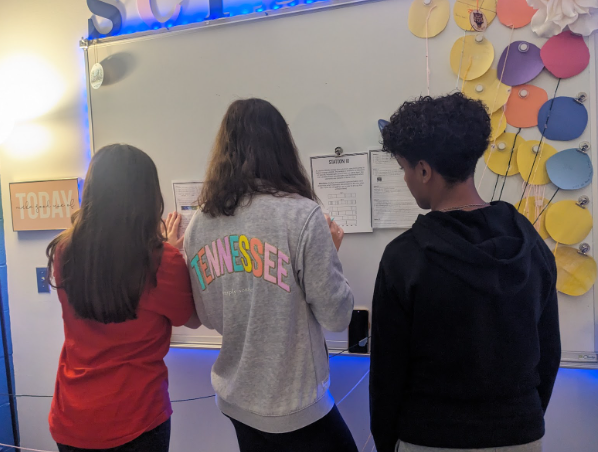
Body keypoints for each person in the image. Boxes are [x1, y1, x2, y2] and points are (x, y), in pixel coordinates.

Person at [370, 93, 561, 452]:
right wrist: (522, 422)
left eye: (404, 169)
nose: (406, 179)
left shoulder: (404, 258)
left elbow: (387, 375)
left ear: (424, 170)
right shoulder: (531, 245)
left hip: (431, 436)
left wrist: (385, 443)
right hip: (520, 433)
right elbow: (548, 353)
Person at [184, 98, 358, 452]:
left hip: (236, 399)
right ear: (282, 146)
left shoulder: (200, 223)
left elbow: (210, 314)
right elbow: (338, 316)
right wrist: (328, 257)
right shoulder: (303, 216)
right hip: (296, 405)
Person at [46, 144, 200, 452]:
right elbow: (191, 319)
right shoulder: (161, 261)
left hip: (72, 416)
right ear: (148, 197)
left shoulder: (65, 250)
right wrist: (173, 252)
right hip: (137, 418)